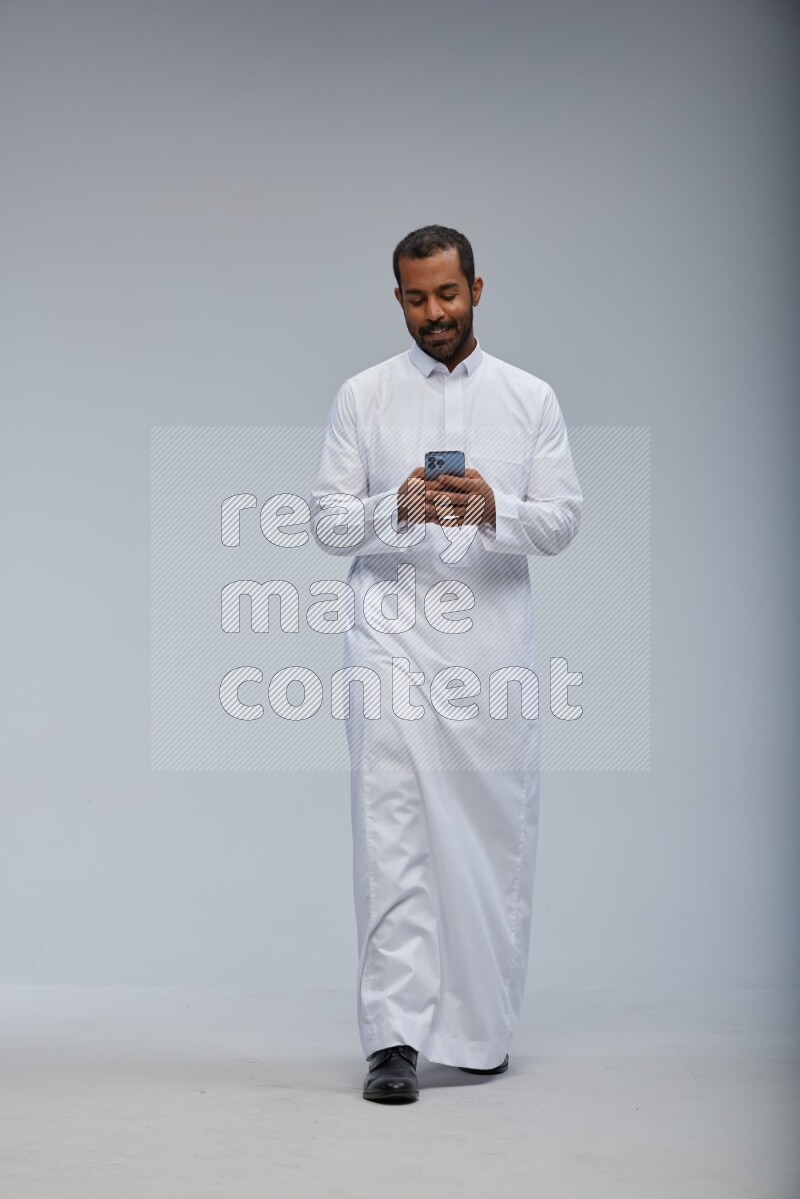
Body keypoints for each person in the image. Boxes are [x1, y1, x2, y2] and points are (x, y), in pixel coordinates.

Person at [310, 225, 583, 1103]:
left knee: (491, 834)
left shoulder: (529, 398)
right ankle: (393, 1039)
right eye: (417, 298)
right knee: (389, 833)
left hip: (490, 655)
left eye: (448, 294)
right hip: (387, 641)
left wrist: (495, 506)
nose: (434, 313)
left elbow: (565, 519)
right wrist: (396, 504)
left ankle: (480, 1029)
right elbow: (325, 522)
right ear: (397, 298)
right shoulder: (364, 396)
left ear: (476, 286)